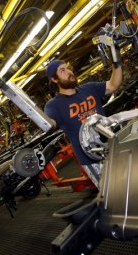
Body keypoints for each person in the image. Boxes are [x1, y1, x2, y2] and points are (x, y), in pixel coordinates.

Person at [44, 60, 122, 188]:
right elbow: (50, 125)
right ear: (54, 79)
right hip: (93, 160)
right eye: (62, 71)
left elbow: (113, 85)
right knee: (113, 194)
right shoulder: (53, 105)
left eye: (68, 68)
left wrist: (116, 63)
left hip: (113, 147)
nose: (69, 72)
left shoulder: (89, 88)